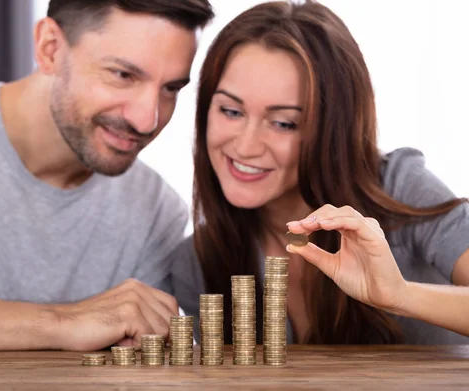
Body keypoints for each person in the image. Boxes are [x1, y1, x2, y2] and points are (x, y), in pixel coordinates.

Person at [0, 0, 214, 352]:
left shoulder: (156, 212)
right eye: (123, 75)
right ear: (50, 48)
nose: (147, 120)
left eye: (171, 88)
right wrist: (62, 323)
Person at [171, 0, 469, 345]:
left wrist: (400, 294)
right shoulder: (196, 261)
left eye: (284, 123)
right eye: (231, 111)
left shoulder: (399, 189)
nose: (246, 146)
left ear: (332, 131)